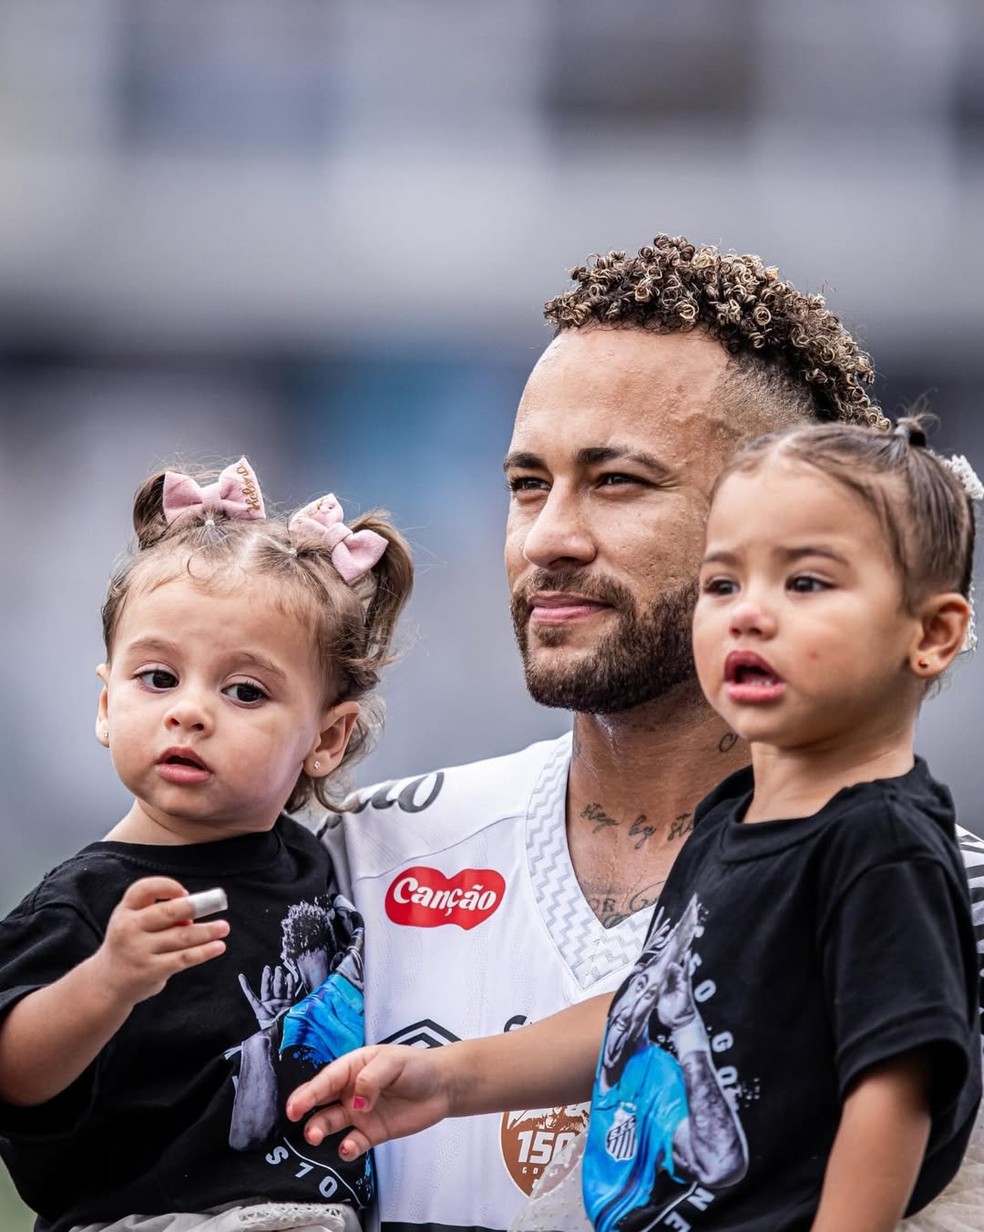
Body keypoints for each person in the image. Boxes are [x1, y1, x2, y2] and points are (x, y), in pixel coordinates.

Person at [315, 235, 984, 1232]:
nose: (548, 536)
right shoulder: (355, 857)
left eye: (618, 480)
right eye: (528, 482)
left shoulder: (945, 896)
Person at [0, 457, 414, 1232]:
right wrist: (109, 979)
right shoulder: (87, 903)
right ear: (104, 702)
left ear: (326, 738)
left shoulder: (323, 864)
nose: (190, 711)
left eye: (245, 691)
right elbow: (15, 1074)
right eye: (157, 678)